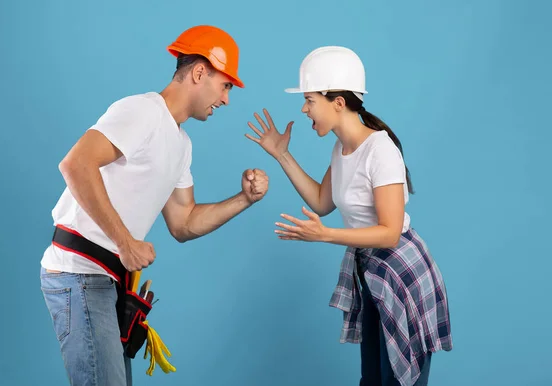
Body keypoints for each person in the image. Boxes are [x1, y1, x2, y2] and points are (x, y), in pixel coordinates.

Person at [39, 25, 269, 386]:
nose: (226, 99)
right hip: (80, 274)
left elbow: (184, 222)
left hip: (106, 280)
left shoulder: (181, 143)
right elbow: (76, 163)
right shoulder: (143, 111)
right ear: (199, 72)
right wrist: (126, 243)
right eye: (226, 86)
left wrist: (245, 199)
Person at [245, 46, 452, 386]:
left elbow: (389, 233)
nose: (304, 108)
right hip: (371, 274)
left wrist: (324, 235)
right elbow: (322, 202)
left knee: (399, 381)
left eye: (310, 99)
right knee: (372, 379)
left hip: (401, 275)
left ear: (337, 102)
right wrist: (282, 155)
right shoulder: (342, 149)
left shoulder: (379, 150)